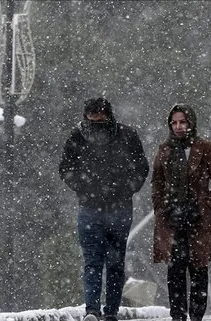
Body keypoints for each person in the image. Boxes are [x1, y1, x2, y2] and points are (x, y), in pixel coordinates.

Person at [59, 97, 149, 321]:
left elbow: (140, 168)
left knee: (109, 263)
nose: (96, 122)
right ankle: (95, 310)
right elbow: (66, 168)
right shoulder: (80, 136)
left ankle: (106, 310)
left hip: (112, 207)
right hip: (94, 207)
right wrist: (86, 188)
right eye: (92, 118)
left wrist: (123, 189)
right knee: (99, 261)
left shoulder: (125, 136)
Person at [151, 104, 211, 321]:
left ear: (191, 123)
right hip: (171, 219)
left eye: (182, 122)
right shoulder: (164, 149)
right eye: (174, 122)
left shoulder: (205, 148)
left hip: (198, 219)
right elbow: (157, 181)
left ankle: (196, 316)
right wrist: (161, 208)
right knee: (174, 270)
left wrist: (206, 206)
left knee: (198, 269)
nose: (178, 127)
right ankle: (178, 316)